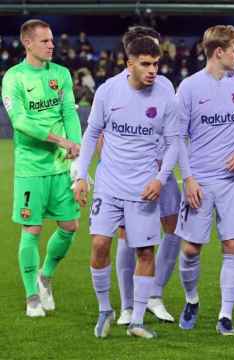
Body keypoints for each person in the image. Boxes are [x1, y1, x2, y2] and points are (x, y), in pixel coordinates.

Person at [74, 36, 180, 339]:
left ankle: (137, 319)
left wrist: (160, 179)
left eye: (156, 64)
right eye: (145, 64)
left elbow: (174, 142)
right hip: (109, 184)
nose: (152, 70)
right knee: (98, 245)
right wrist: (82, 175)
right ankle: (106, 309)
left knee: (145, 251)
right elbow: (92, 132)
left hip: (144, 187)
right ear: (128, 63)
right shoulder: (109, 91)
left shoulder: (165, 94)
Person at [174, 25, 234, 336]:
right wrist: (188, 179)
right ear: (218, 52)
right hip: (199, 181)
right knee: (190, 250)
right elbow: (178, 138)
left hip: (232, 182)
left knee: (233, 244)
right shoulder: (188, 88)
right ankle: (192, 299)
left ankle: (225, 315)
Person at [2, 19, 81, 317]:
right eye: (45, 41)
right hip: (30, 167)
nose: (52, 45)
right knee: (32, 229)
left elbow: (69, 113)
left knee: (70, 226)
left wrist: (76, 145)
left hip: (61, 166)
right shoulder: (14, 78)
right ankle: (32, 297)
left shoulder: (60, 74)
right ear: (28, 43)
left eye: (52, 40)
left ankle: (45, 276)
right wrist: (60, 139)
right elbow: (20, 122)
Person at [108, 25, 181, 326]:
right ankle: (127, 305)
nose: (152, 63)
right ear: (130, 56)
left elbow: (174, 132)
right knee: (128, 236)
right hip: (132, 175)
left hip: (162, 171)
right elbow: (102, 132)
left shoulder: (165, 85)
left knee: (174, 228)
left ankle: (154, 294)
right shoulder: (113, 88)